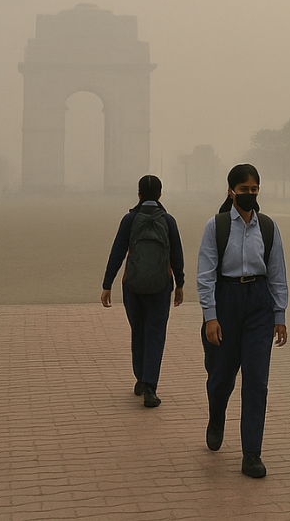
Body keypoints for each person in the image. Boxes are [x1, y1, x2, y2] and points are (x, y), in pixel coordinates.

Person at [196, 164, 288, 478]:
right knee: (220, 377)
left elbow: (277, 273)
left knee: (256, 381)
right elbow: (205, 275)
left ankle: (252, 453)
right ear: (231, 191)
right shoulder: (217, 226)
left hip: (259, 304)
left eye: (254, 189)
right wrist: (210, 317)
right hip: (226, 301)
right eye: (243, 189)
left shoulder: (268, 227)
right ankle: (216, 415)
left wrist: (279, 315)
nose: (249, 194)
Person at [100, 175, 185, 408]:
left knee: (138, 331)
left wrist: (107, 284)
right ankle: (150, 386)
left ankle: (140, 378)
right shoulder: (168, 220)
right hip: (161, 286)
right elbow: (177, 255)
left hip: (133, 285)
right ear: (160, 194)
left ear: (138, 194)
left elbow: (117, 252)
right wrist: (179, 284)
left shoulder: (129, 219)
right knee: (155, 334)